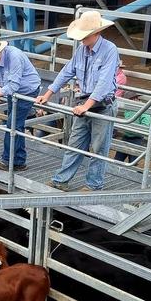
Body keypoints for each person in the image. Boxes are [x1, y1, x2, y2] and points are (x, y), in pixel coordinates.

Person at [37, 10, 119, 191]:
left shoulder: (109, 50)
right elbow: (67, 71)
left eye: (85, 36)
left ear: (96, 33)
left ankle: (94, 184)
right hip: (84, 103)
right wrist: (48, 93)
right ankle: (61, 180)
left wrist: (86, 106)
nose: (81, 40)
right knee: (75, 144)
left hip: (102, 105)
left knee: (98, 147)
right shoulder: (82, 50)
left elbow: (104, 83)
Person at [0, 34, 42, 171]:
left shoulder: (14, 56)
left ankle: (7, 160)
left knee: (13, 124)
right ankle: (19, 160)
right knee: (16, 124)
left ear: (0, 51)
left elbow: (13, 85)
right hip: (10, 91)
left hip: (26, 90)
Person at [114, 91, 149, 162]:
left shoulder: (143, 109)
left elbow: (146, 124)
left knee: (133, 161)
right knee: (118, 159)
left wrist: (134, 129)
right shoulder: (128, 109)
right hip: (127, 136)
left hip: (137, 138)